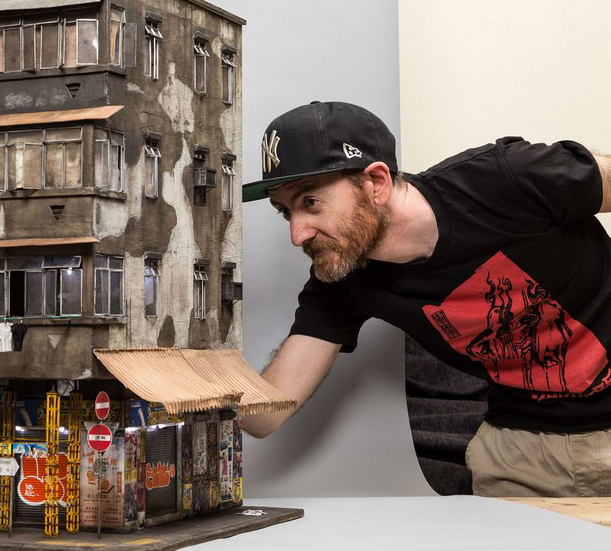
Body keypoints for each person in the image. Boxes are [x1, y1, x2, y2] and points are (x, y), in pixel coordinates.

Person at [241, 101, 611, 497]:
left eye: (310, 202)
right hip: (519, 453)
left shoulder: (504, 179)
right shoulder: (344, 278)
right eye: (286, 212)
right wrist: (196, 374)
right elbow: (266, 416)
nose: (297, 234)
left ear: (376, 182)